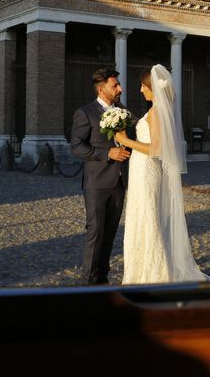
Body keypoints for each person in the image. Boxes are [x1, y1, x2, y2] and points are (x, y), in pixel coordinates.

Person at [115, 64, 210, 284]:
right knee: (145, 215)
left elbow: (156, 149)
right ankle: (142, 268)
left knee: (148, 217)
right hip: (142, 170)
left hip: (147, 170)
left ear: (151, 87)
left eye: (142, 86)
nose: (140, 91)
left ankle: (152, 272)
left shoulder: (157, 112)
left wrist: (125, 140)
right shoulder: (156, 111)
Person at [71, 68, 133, 285]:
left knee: (110, 234)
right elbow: (77, 147)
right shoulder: (85, 113)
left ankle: (102, 279)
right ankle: (88, 281)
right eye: (115, 86)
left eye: (119, 85)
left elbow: (129, 141)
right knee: (95, 232)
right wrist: (107, 153)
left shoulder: (123, 110)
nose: (120, 89)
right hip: (97, 183)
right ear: (101, 88)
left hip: (119, 182)